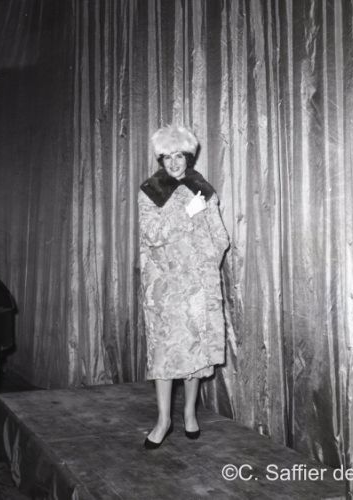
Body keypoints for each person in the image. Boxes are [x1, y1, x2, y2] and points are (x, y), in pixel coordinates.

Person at [138, 125, 229, 449]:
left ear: (188, 157)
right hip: (164, 288)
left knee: (194, 354)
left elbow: (220, 237)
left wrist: (205, 264)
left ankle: (190, 413)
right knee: (164, 355)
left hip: (197, 287)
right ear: (160, 160)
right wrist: (186, 214)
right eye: (168, 157)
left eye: (179, 156)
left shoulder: (202, 188)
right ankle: (164, 420)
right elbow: (151, 234)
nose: (174, 163)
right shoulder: (150, 191)